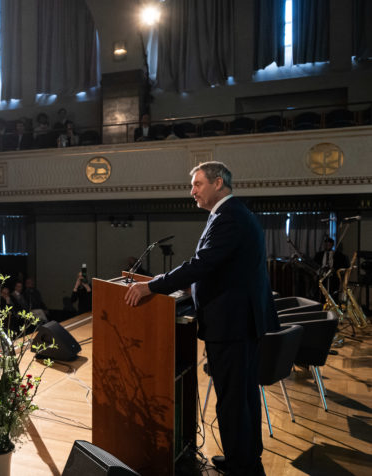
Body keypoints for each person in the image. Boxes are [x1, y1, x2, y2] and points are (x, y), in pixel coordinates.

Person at [124, 161, 279, 476]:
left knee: (234, 399)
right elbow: (217, 267)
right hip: (238, 322)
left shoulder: (229, 217)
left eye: (197, 184)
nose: (192, 191)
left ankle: (243, 466)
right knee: (241, 397)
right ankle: (244, 457)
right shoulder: (231, 214)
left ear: (218, 183)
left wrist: (153, 286)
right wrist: (178, 280)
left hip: (233, 324)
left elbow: (203, 262)